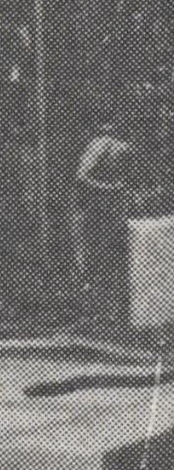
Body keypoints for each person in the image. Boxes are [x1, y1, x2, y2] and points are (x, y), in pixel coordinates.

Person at [74, 117, 138, 323]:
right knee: (98, 258)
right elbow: (82, 176)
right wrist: (110, 189)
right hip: (95, 212)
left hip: (112, 211)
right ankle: (97, 311)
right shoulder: (102, 145)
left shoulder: (123, 147)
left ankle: (112, 311)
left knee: (113, 257)